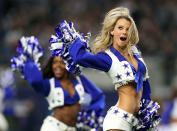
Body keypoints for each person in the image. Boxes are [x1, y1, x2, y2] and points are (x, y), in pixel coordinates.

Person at [50, 7, 161, 131]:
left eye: (127, 29)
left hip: (137, 123)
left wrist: (147, 115)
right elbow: (81, 58)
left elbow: (145, 85)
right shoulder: (108, 58)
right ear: (112, 31)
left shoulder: (137, 55)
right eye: (120, 28)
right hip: (119, 120)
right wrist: (73, 42)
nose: (124, 32)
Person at [11, 36, 105, 131]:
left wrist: (90, 115)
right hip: (53, 127)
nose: (57, 66)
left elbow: (98, 96)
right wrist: (28, 58)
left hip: (74, 129)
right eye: (55, 62)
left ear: (69, 64)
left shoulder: (79, 79)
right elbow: (35, 80)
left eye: (62, 63)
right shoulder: (49, 83)